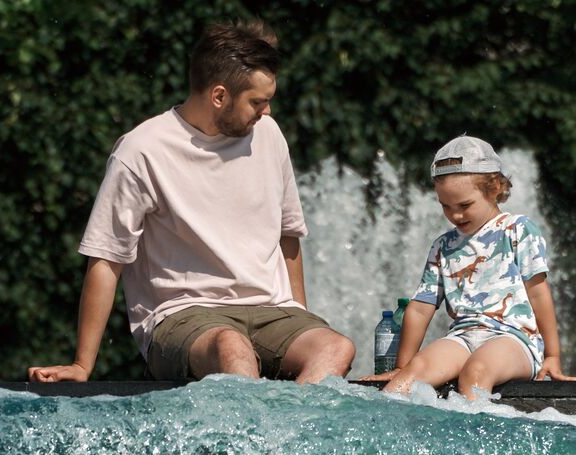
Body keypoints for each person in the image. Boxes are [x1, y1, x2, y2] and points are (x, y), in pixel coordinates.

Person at [28, 21, 354, 385]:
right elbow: (106, 258)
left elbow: (288, 234)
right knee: (232, 348)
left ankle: (287, 438)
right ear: (219, 96)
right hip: (182, 315)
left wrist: (298, 317)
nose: (267, 112)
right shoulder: (141, 151)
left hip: (271, 310)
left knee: (336, 348)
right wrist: (82, 364)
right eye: (258, 102)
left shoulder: (269, 135)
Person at [369, 136, 576, 396]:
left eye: (464, 205)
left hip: (513, 340)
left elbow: (538, 293)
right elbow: (420, 309)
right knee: (415, 372)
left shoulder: (517, 229)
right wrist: (403, 366)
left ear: (493, 188)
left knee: (476, 372)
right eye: (445, 206)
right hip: (462, 337)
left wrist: (553, 355)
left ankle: (474, 435)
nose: (455, 215)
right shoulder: (442, 246)